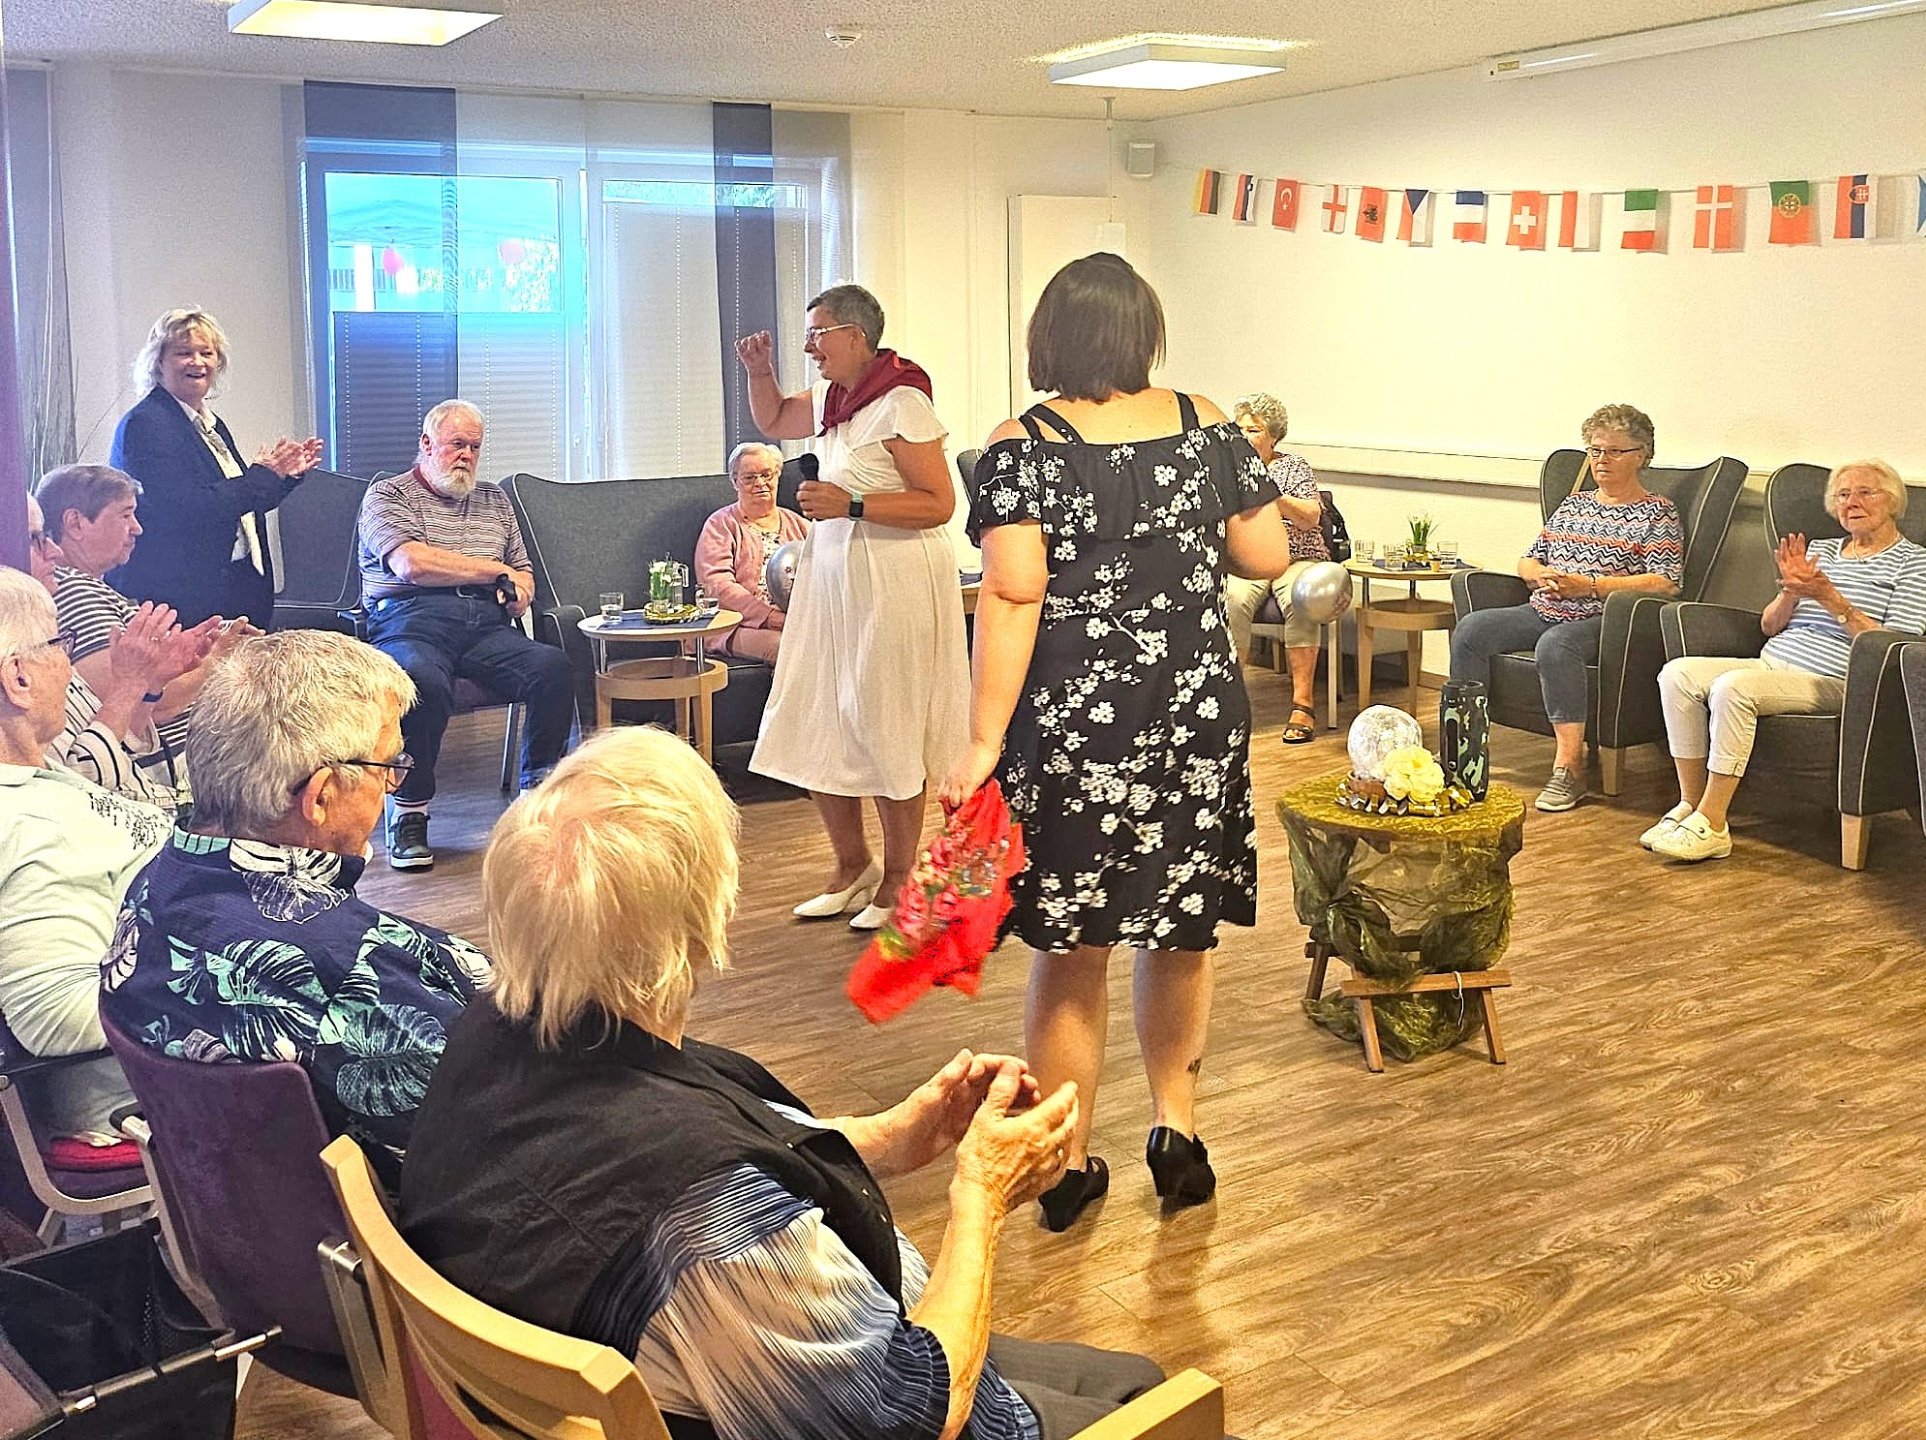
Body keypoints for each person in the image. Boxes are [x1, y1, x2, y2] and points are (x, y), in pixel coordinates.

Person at [402, 726, 1181, 1440]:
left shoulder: (501, 1036)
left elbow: (686, 1154)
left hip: (763, 1366)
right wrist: (981, 1196)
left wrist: (893, 1136)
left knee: (1136, 1379)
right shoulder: (715, 1220)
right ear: (706, 917)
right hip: (886, 1397)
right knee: (1159, 1403)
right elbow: (917, 1416)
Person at [940, 253, 1296, 1231]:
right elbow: (1266, 554)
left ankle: (1064, 1165)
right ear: (1144, 334)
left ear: (1049, 336)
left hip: (1075, 725)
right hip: (1193, 710)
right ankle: (1177, 1133)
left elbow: (1013, 593)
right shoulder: (1206, 422)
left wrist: (980, 741)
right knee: (1179, 931)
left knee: (1074, 946)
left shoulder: (1023, 444)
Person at [101, 630, 491, 1188]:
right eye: (388, 765)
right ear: (321, 796)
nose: (393, 784)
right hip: (394, 1237)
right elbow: (496, 1149)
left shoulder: (154, 885)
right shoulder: (356, 972)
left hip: (242, 1222)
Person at [735, 285, 970, 930]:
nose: (810, 345)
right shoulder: (833, 399)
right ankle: (851, 867)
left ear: (856, 336)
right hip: (832, 574)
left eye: (819, 333)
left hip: (892, 579)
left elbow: (939, 505)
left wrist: (853, 504)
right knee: (814, 713)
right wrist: (759, 371)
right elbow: (774, 420)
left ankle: (900, 879)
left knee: (886, 721)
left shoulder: (902, 401)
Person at [1647, 459, 1926, 861]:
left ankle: (1714, 822)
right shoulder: (1821, 551)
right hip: (1773, 663)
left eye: (1865, 492)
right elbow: (1768, 625)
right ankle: (1690, 806)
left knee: (1733, 687)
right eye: (1843, 495)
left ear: (1893, 501)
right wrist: (1791, 592)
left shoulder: (1914, 563)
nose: (1852, 502)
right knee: (1677, 675)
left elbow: (1895, 646)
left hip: (1838, 679)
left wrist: (1831, 599)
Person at [355, 399, 575, 871]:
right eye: (457, 444)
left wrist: (519, 591)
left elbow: (522, 569)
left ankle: (535, 799)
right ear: (426, 443)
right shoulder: (387, 496)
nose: (466, 455)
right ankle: (409, 814)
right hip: (411, 619)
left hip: (485, 623)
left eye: (475, 447)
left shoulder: (494, 500)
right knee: (420, 680)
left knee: (551, 667)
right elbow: (412, 564)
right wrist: (493, 571)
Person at [0, 568, 171, 1141]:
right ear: (18, 677)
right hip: (161, 1104)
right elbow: (53, 1015)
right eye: (59, 645)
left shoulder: (35, 780)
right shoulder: (19, 823)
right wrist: (236, 991)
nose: (70, 667)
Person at [1448, 403, 1683, 813]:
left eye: (1614, 451)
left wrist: (1589, 586)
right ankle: (1464, 754)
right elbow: (1528, 559)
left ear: (1641, 455)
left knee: (1557, 645)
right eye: (1595, 450)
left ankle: (1569, 768)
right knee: (1471, 630)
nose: (1601, 460)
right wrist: (1540, 575)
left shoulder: (1657, 513)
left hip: (1603, 619)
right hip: (1544, 607)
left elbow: (1665, 582)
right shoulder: (1574, 505)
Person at [36, 464, 250, 803]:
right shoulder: (74, 591)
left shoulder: (92, 588)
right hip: (176, 779)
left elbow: (146, 685)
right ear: (75, 523)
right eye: (125, 515)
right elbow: (140, 703)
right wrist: (220, 658)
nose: (137, 528)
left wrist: (199, 649)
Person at [108, 307, 322, 628]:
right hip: (187, 599)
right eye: (184, 353)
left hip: (236, 587)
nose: (197, 362)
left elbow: (240, 503)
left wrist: (284, 477)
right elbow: (183, 508)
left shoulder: (209, 423)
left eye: (206, 353)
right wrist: (262, 476)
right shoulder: (147, 424)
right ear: (158, 362)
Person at [1219, 392, 1340, 742]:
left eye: (1254, 430)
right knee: (1232, 599)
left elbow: (1310, 517)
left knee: (1302, 599)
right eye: (1240, 429)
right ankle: (1232, 702)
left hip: (1298, 556)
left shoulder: (1293, 467)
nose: (1244, 436)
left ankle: (1303, 704)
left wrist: (1270, 492)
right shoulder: (1227, 471)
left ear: (1273, 436)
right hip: (1251, 559)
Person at [694, 441, 811, 665]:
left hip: (797, 620)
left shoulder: (800, 525)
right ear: (734, 482)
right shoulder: (720, 525)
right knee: (787, 648)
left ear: (777, 476)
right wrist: (770, 617)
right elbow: (717, 585)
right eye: (749, 478)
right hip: (735, 626)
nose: (760, 483)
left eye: (767, 475)